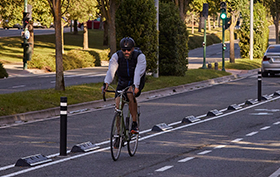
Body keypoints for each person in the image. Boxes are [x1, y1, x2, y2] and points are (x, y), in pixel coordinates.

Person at [103, 37, 146, 134]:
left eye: (129, 50)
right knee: (118, 106)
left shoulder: (140, 56)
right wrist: (106, 83)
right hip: (122, 81)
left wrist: (135, 86)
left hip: (136, 80)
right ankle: (119, 134)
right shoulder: (116, 56)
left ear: (133, 49)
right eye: (124, 50)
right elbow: (111, 70)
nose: (126, 52)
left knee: (130, 93)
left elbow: (138, 73)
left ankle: (134, 124)